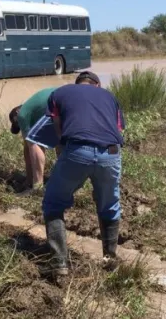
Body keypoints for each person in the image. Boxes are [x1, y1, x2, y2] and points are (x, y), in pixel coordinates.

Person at [41, 71, 125, 278]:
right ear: (97, 85)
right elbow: (119, 130)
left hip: (77, 150)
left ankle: (60, 265)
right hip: (111, 153)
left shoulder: (59, 93)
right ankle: (110, 260)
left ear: (77, 83)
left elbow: (58, 129)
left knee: (53, 203)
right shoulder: (109, 96)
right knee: (109, 205)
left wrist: (65, 154)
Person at [8, 87, 58, 191]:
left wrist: (29, 179)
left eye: (18, 126)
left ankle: (37, 186)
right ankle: (62, 181)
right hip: (68, 100)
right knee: (62, 141)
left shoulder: (21, 115)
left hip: (55, 102)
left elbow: (29, 148)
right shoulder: (34, 107)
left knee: (33, 143)